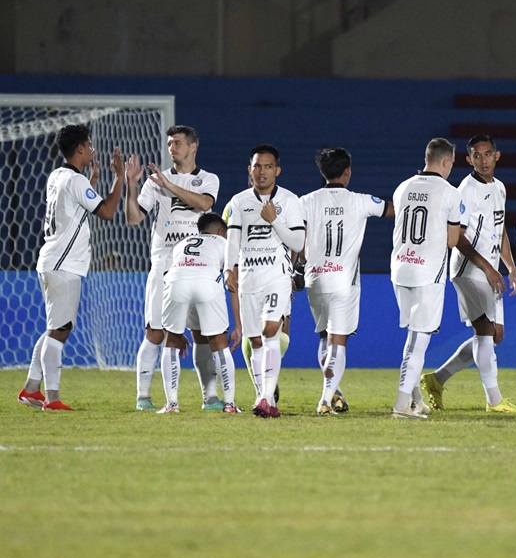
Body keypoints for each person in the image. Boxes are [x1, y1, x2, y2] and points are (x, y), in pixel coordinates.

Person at [17, 124, 126, 411]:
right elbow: (107, 212)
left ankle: (31, 389)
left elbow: (74, 204)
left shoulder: (58, 176)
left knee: (56, 327)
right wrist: (120, 177)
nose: (92, 149)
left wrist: (90, 181)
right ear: (79, 149)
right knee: (61, 328)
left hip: (51, 259)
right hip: (63, 264)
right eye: (89, 145)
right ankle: (52, 398)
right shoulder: (74, 181)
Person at [419, 135, 516, 414]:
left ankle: (436, 379)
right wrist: (490, 269)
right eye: (476, 156)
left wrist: (510, 266)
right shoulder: (466, 189)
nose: (483, 160)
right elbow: (459, 239)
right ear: (469, 160)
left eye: (488, 154)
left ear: (497, 156)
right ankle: (495, 401)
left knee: (495, 335)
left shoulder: (500, 188)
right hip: (468, 270)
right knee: (485, 332)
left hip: (490, 270)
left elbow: (500, 229)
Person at [125, 125, 222, 411]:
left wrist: (170, 186)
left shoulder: (208, 179)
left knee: (201, 333)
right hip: (164, 265)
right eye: (169, 144)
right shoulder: (156, 181)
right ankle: (143, 396)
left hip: (197, 266)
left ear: (193, 146)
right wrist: (131, 186)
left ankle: (211, 398)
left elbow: (204, 204)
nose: (172, 148)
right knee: (155, 332)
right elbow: (133, 219)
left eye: (178, 143)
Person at [300, 146, 394, 415]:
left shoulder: (305, 201)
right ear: (348, 171)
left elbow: (298, 236)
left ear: (323, 172)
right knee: (338, 341)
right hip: (344, 280)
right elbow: (394, 210)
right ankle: (325, 398)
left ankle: (335, 391)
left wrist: (296, 266)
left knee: (324, 336)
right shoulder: (361, 201)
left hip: (315, 278)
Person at [224, 144, 305, 419]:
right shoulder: (239, 201)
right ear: (250, 169)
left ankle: (264, 396)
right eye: (257, 166)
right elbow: (233, 238)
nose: (262, 171)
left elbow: (298, 241)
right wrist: (228, 269)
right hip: (249, 277)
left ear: (277, 170)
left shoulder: (291, 201)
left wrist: (275, 220)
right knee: (254, 340)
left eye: (268, 166)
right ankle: (265, 399)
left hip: (277, 275)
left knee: (271, 329)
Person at [389, 138, 463, 419]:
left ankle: (415, 401)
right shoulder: (450, 193)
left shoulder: (402, 187)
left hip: (400, 269)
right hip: (427, 272)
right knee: (418, 341)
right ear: (446, 162)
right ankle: (400, 404)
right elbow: (453, 240)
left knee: (413, 335)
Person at [156, 213, 239, 414]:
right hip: (207, 282)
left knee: (172, 341)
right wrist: (238, 324)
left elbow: (168, 273)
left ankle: (171, 404)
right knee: (219, 342)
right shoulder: (225, 243)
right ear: (221, 232)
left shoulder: (181, 244)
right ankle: (229, 403)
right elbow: (234, 282)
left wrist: (175, 328)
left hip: (176, 282)